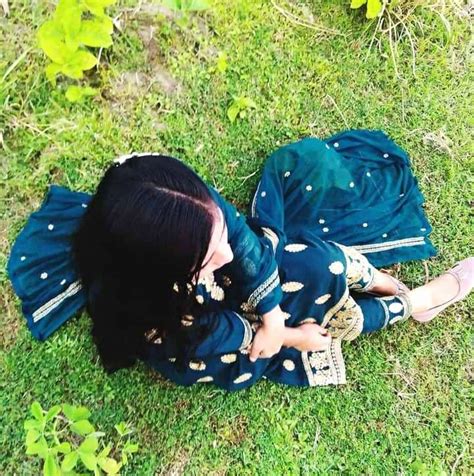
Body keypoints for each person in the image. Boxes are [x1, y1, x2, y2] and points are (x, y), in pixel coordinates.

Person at [7, 130, 473, 391]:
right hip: (209, 337)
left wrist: (271, 312)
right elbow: (215, 336)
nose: (226, 252)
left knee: (318, 265)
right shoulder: (155, 308)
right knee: (308, 324)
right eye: (209, 255)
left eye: (217, 234)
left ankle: (375, 281)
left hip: (210, 294)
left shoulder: (188, 207)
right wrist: (285, 335)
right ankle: (415, 304)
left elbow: (242, 245)